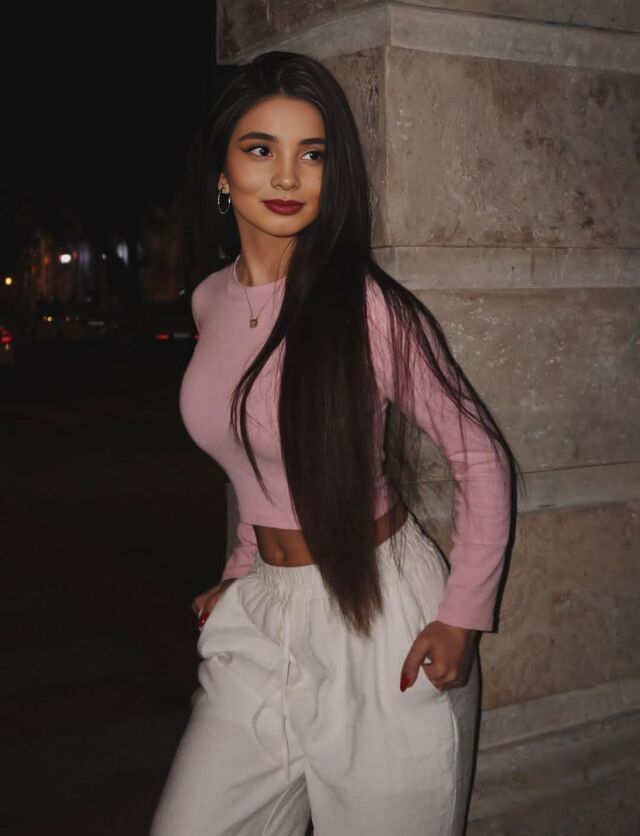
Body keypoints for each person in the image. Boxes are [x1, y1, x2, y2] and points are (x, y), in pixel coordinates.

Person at [150, 50, 517, 836]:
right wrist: (241, 570)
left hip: (380, 616)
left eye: (311, 155)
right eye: (261, 149)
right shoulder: (210, 301)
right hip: (263, 619)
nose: (287, 176)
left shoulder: (369, 308)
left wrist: (462, 615)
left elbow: (480, 456)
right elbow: (256, 458)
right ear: (222, 171)